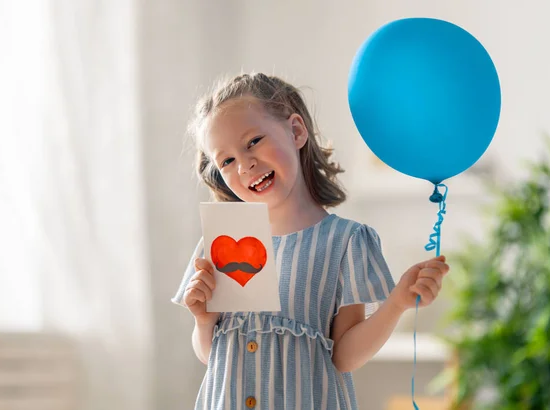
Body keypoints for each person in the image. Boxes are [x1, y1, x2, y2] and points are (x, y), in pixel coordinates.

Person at [171, 72, 449, 410]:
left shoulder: (345, 242)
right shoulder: (217, 244)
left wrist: (397, 303)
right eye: (226, 160)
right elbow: (209, 354)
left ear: (296, 131)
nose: (244, 165)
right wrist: (203, 320)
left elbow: (345, 356)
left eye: (253, 141)